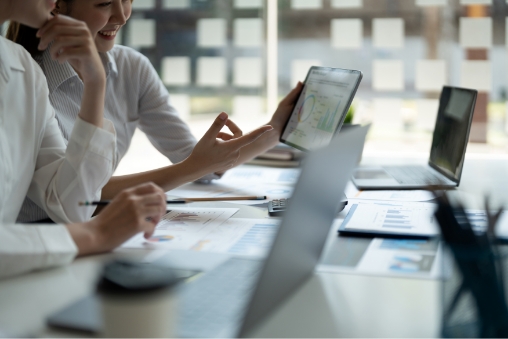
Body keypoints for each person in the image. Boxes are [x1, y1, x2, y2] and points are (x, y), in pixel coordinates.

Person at [0, 0, 271, 279]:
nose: (122, 15)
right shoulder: (34, 70)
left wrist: (95, 85)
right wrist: (97, 233)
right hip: (38, 249)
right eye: (104, 3)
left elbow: (74, 207)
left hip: (43, 258)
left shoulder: (23, 70)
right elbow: (79, 212)